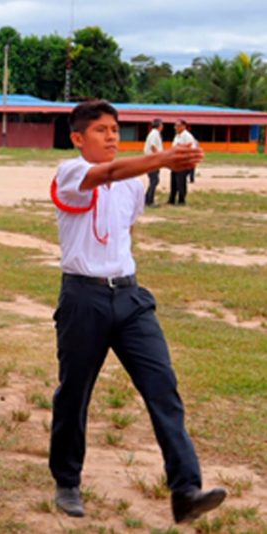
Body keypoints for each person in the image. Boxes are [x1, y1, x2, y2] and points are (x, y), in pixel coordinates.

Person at [48, 100, 226, 523]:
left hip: (129, 297)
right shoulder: (70, 172)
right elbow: (105, 174)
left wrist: (153, 165)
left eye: (115, 129)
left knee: (163, 387)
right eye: (100, 130)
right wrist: (163, 157)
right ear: (78, 138)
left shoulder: (133, 184)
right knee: (75, 393)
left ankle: (186, 490)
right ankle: (67, 482)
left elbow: (127, 227)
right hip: (82, 298)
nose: (111, 136)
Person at [169, 120, 198, 205]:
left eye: (177, 126)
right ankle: (172, 199)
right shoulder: (177, 136)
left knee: (181, 182)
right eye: (175, 126)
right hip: (175, 162)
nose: (175, 128)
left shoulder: (187, 136)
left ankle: (181, 200)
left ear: (183, 127)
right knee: (173, 181)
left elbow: (192, 149)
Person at [143, 119, 164, 207]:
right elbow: (153, 146)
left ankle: (147, 199)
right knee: (154, 180)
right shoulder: (155, 134)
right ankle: (149, 201)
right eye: (162, 125)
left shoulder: (153, 133)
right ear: (159, 126)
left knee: (154, 180)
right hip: (153, 160)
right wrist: (159, 156)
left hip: (151, 159)